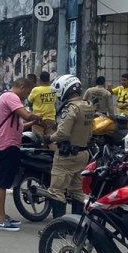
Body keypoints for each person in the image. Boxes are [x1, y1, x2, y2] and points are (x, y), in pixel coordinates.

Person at [38, 75, 95, 218]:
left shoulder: (71, 108)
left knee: (56, 190)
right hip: (83, 153)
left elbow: (62, 133)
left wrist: (49, 138)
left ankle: (58, 228)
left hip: (66, 155)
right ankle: (74, 226)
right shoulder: (88, 105)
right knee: (77, 190)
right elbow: (90, 131)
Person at [0, 77, 41, 231]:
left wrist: (33, 123)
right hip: (5, 145)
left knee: (5, 180)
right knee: (2, 181)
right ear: (21, 86)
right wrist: (38, 116)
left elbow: (21, 124)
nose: (27, 96)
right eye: (28, 91)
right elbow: (25, 115)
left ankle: (3, 215)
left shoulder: (9, 99)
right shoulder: (11, 97)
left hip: (9, 145)